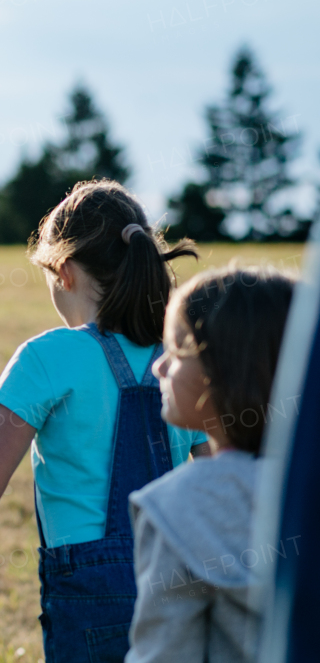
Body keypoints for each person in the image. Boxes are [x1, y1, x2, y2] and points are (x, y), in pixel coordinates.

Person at [0, 179, 208, 662]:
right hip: (181, 574)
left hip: (90, 587)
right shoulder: (178, 360)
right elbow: (215, 474)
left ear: (62, 271)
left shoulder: (46, 356)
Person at [126, 266, 295, 663]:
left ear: (228, 370)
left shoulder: (175, 507)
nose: (159, 367)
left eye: (178, 350)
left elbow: (164, 654)